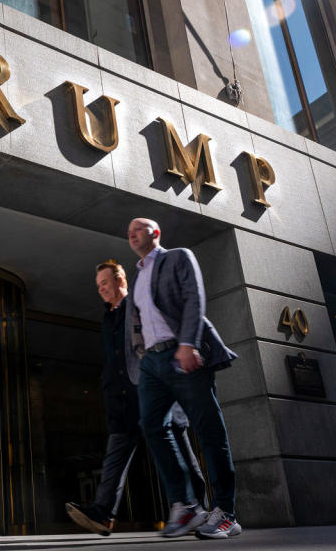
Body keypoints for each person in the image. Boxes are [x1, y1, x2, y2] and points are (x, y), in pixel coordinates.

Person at [66, 261, 206, 535]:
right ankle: (104, 513)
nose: (101, 289)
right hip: (121, 397)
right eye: (98, 286)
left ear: (120, 280)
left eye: (104, 282)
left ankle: (197, 508)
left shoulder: (142, 304)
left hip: (151, 388)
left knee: (177, 445)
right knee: (116, 452)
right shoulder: (108, 317)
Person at [125, 218, 240, 539]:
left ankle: (226, 513)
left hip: (182, 351)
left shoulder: (177, 257)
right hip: (151, 361)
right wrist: (139, 361)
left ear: (155, 233)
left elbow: (194, 299)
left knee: (208, 430)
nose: (132, 235)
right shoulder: (136, 275)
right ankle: (188, 506)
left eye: (138, 229)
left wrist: (188, 343)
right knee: (152, 426)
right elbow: (135, 322)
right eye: (128, 232)